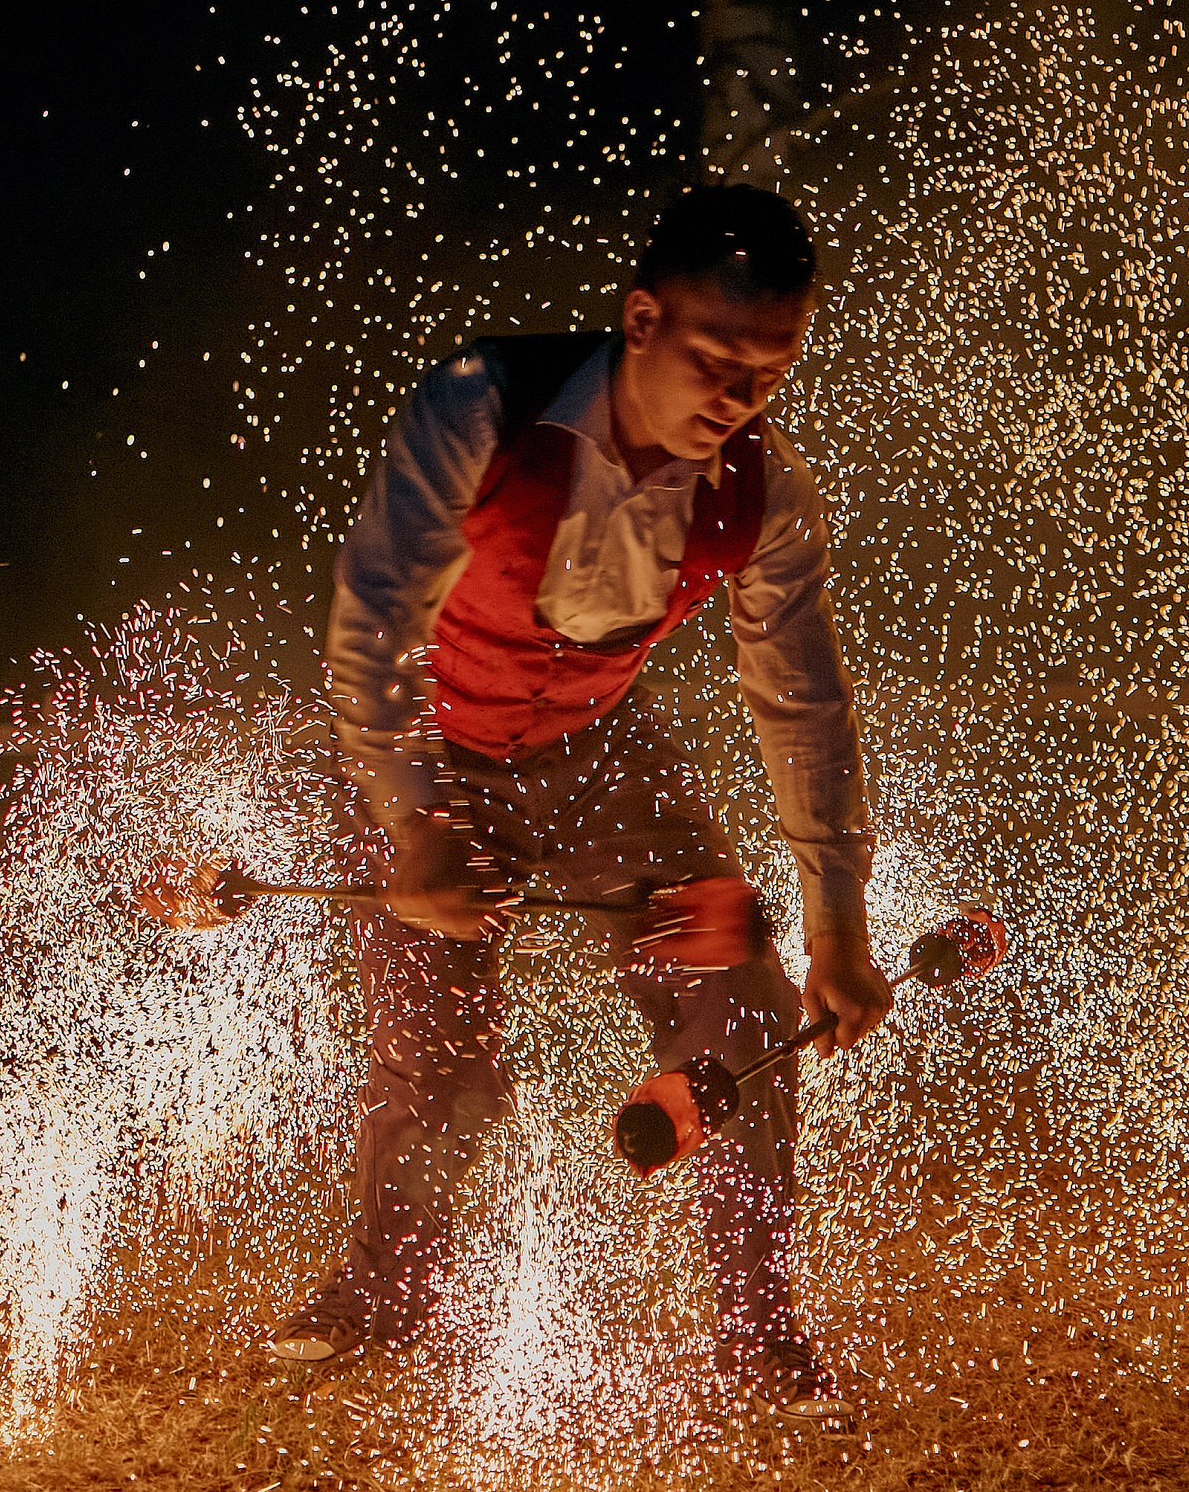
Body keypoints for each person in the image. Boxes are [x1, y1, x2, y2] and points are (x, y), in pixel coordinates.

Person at [271, 185, 893, 1418]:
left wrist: (836, 928)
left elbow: (803, 702)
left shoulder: (769, 494)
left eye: (769, 371)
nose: (738, 398)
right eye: (715, 360)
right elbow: (373, 619)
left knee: (745, 1002)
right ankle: (385, 1289)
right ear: (640, 318)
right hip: (429, 745)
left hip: (603, 756)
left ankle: (759, 1324)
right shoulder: (479, 403)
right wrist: (414, 825)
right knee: (433, 1044)